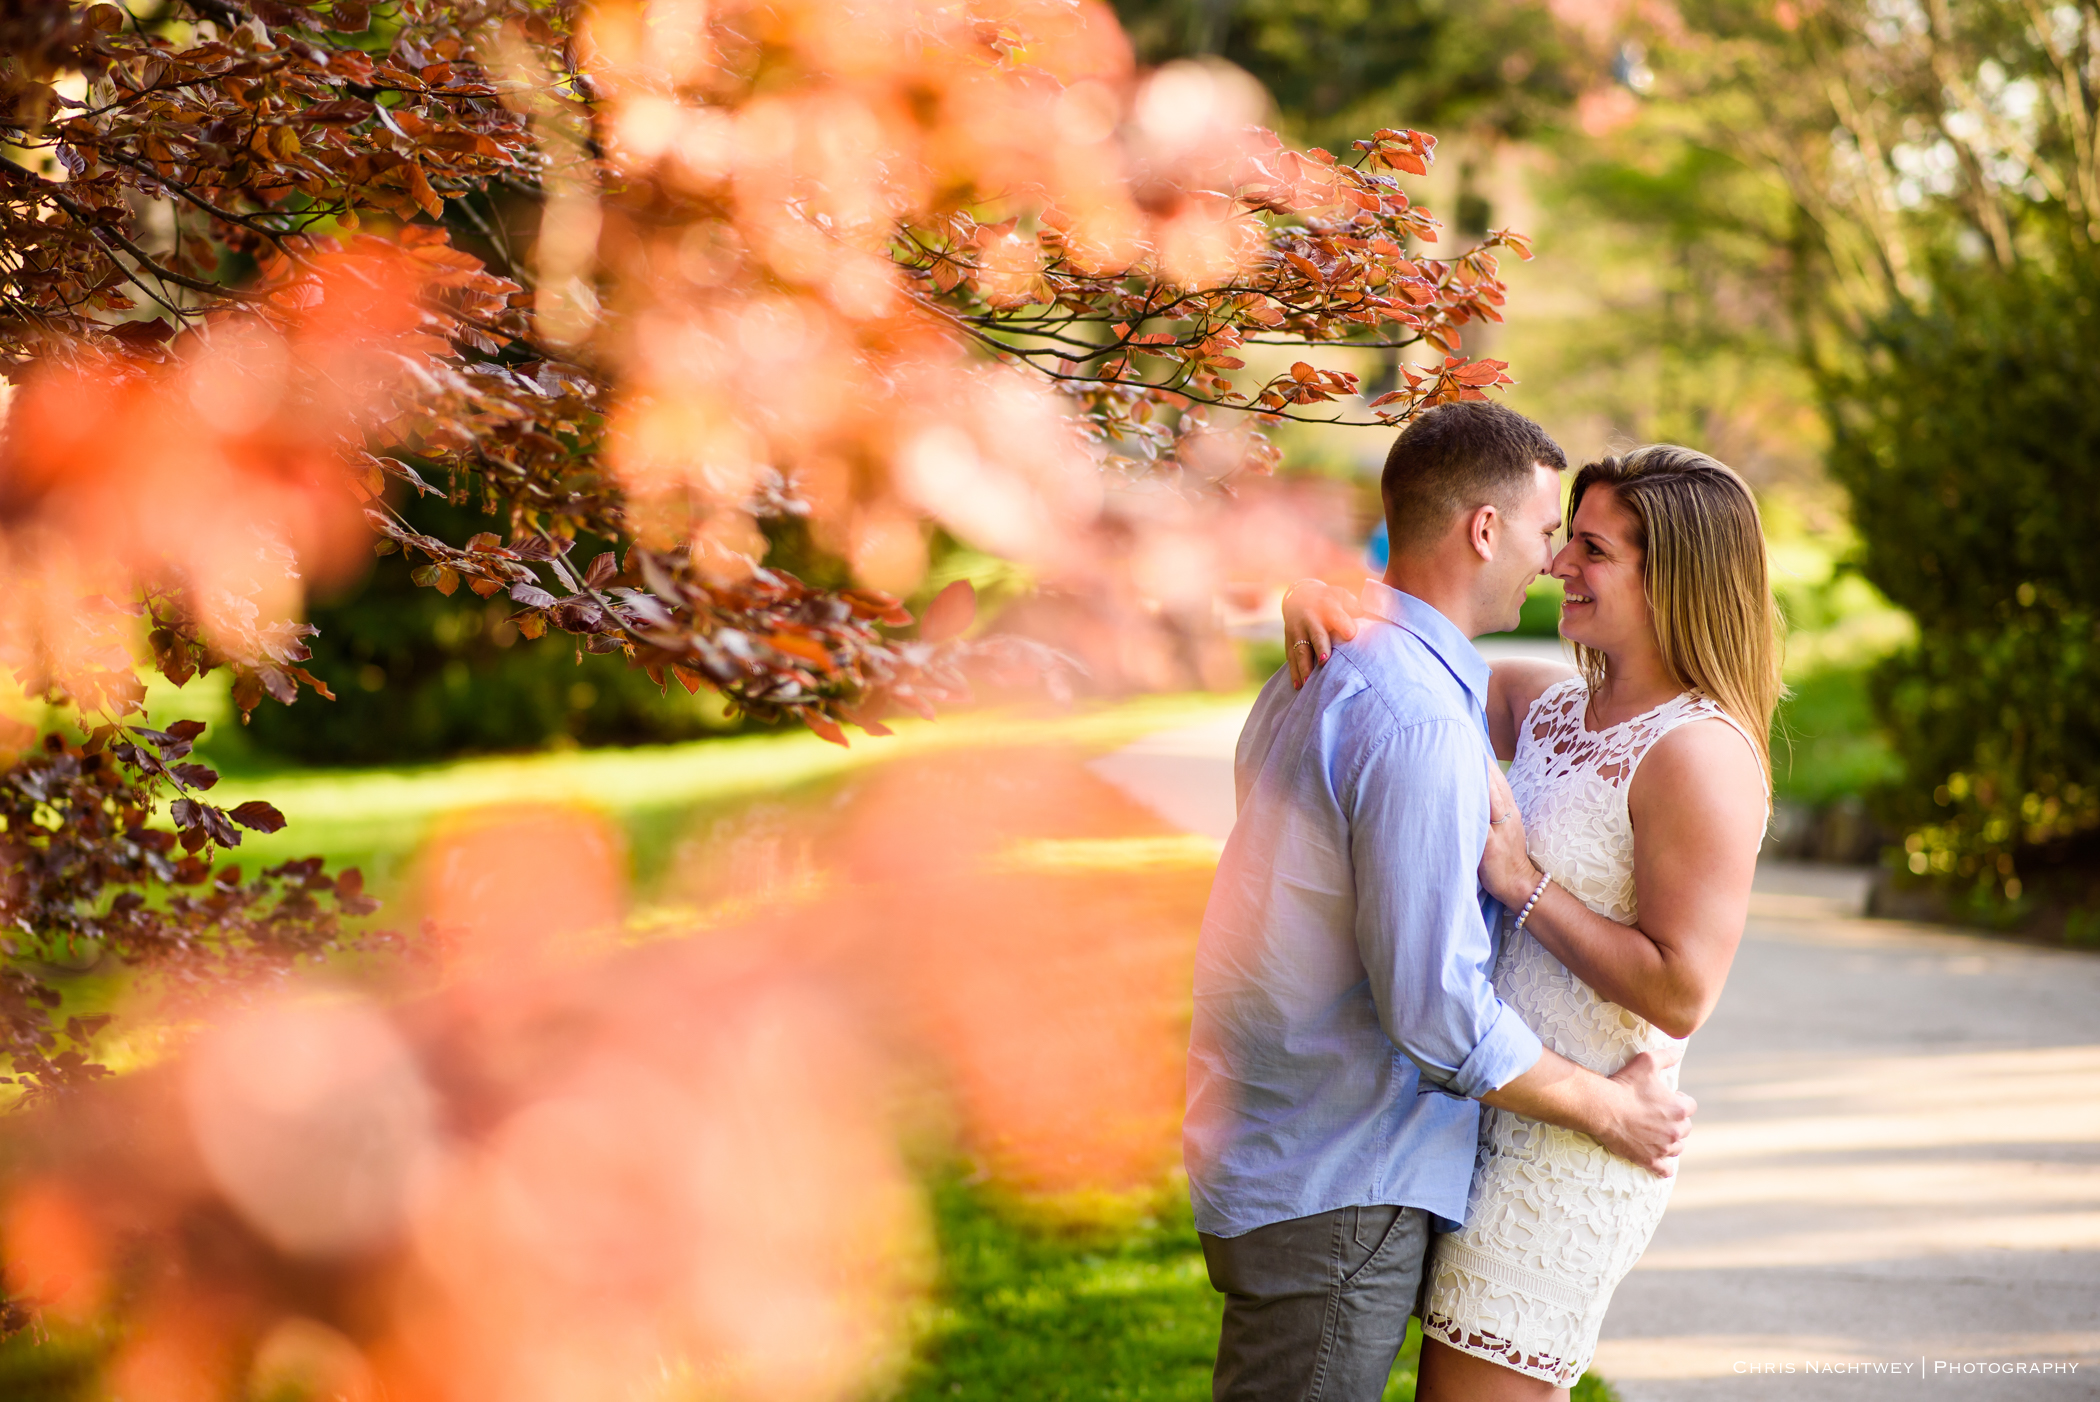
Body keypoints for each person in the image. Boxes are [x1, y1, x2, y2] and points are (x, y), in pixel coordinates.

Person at [1183, 401, 1701, 1402]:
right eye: (1551, 533)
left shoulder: (1323, 665)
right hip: (1343, 1175)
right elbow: (1436, 1011)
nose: (1551, 561)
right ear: (1483, 529)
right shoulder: (1415, 716)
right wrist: (1608, 1109)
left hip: (1282, 1147)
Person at [1279, 441, 1782, 1399]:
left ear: (1670, 574)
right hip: (1489, 1109)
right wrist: (1325, 595)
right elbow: (1428, 647)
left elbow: (1682, 992)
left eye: (1591, 549)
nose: (1557, 565)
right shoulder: (1553, 705)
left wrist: (1524, 886)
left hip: (1573, 1151)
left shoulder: (1701, 755)